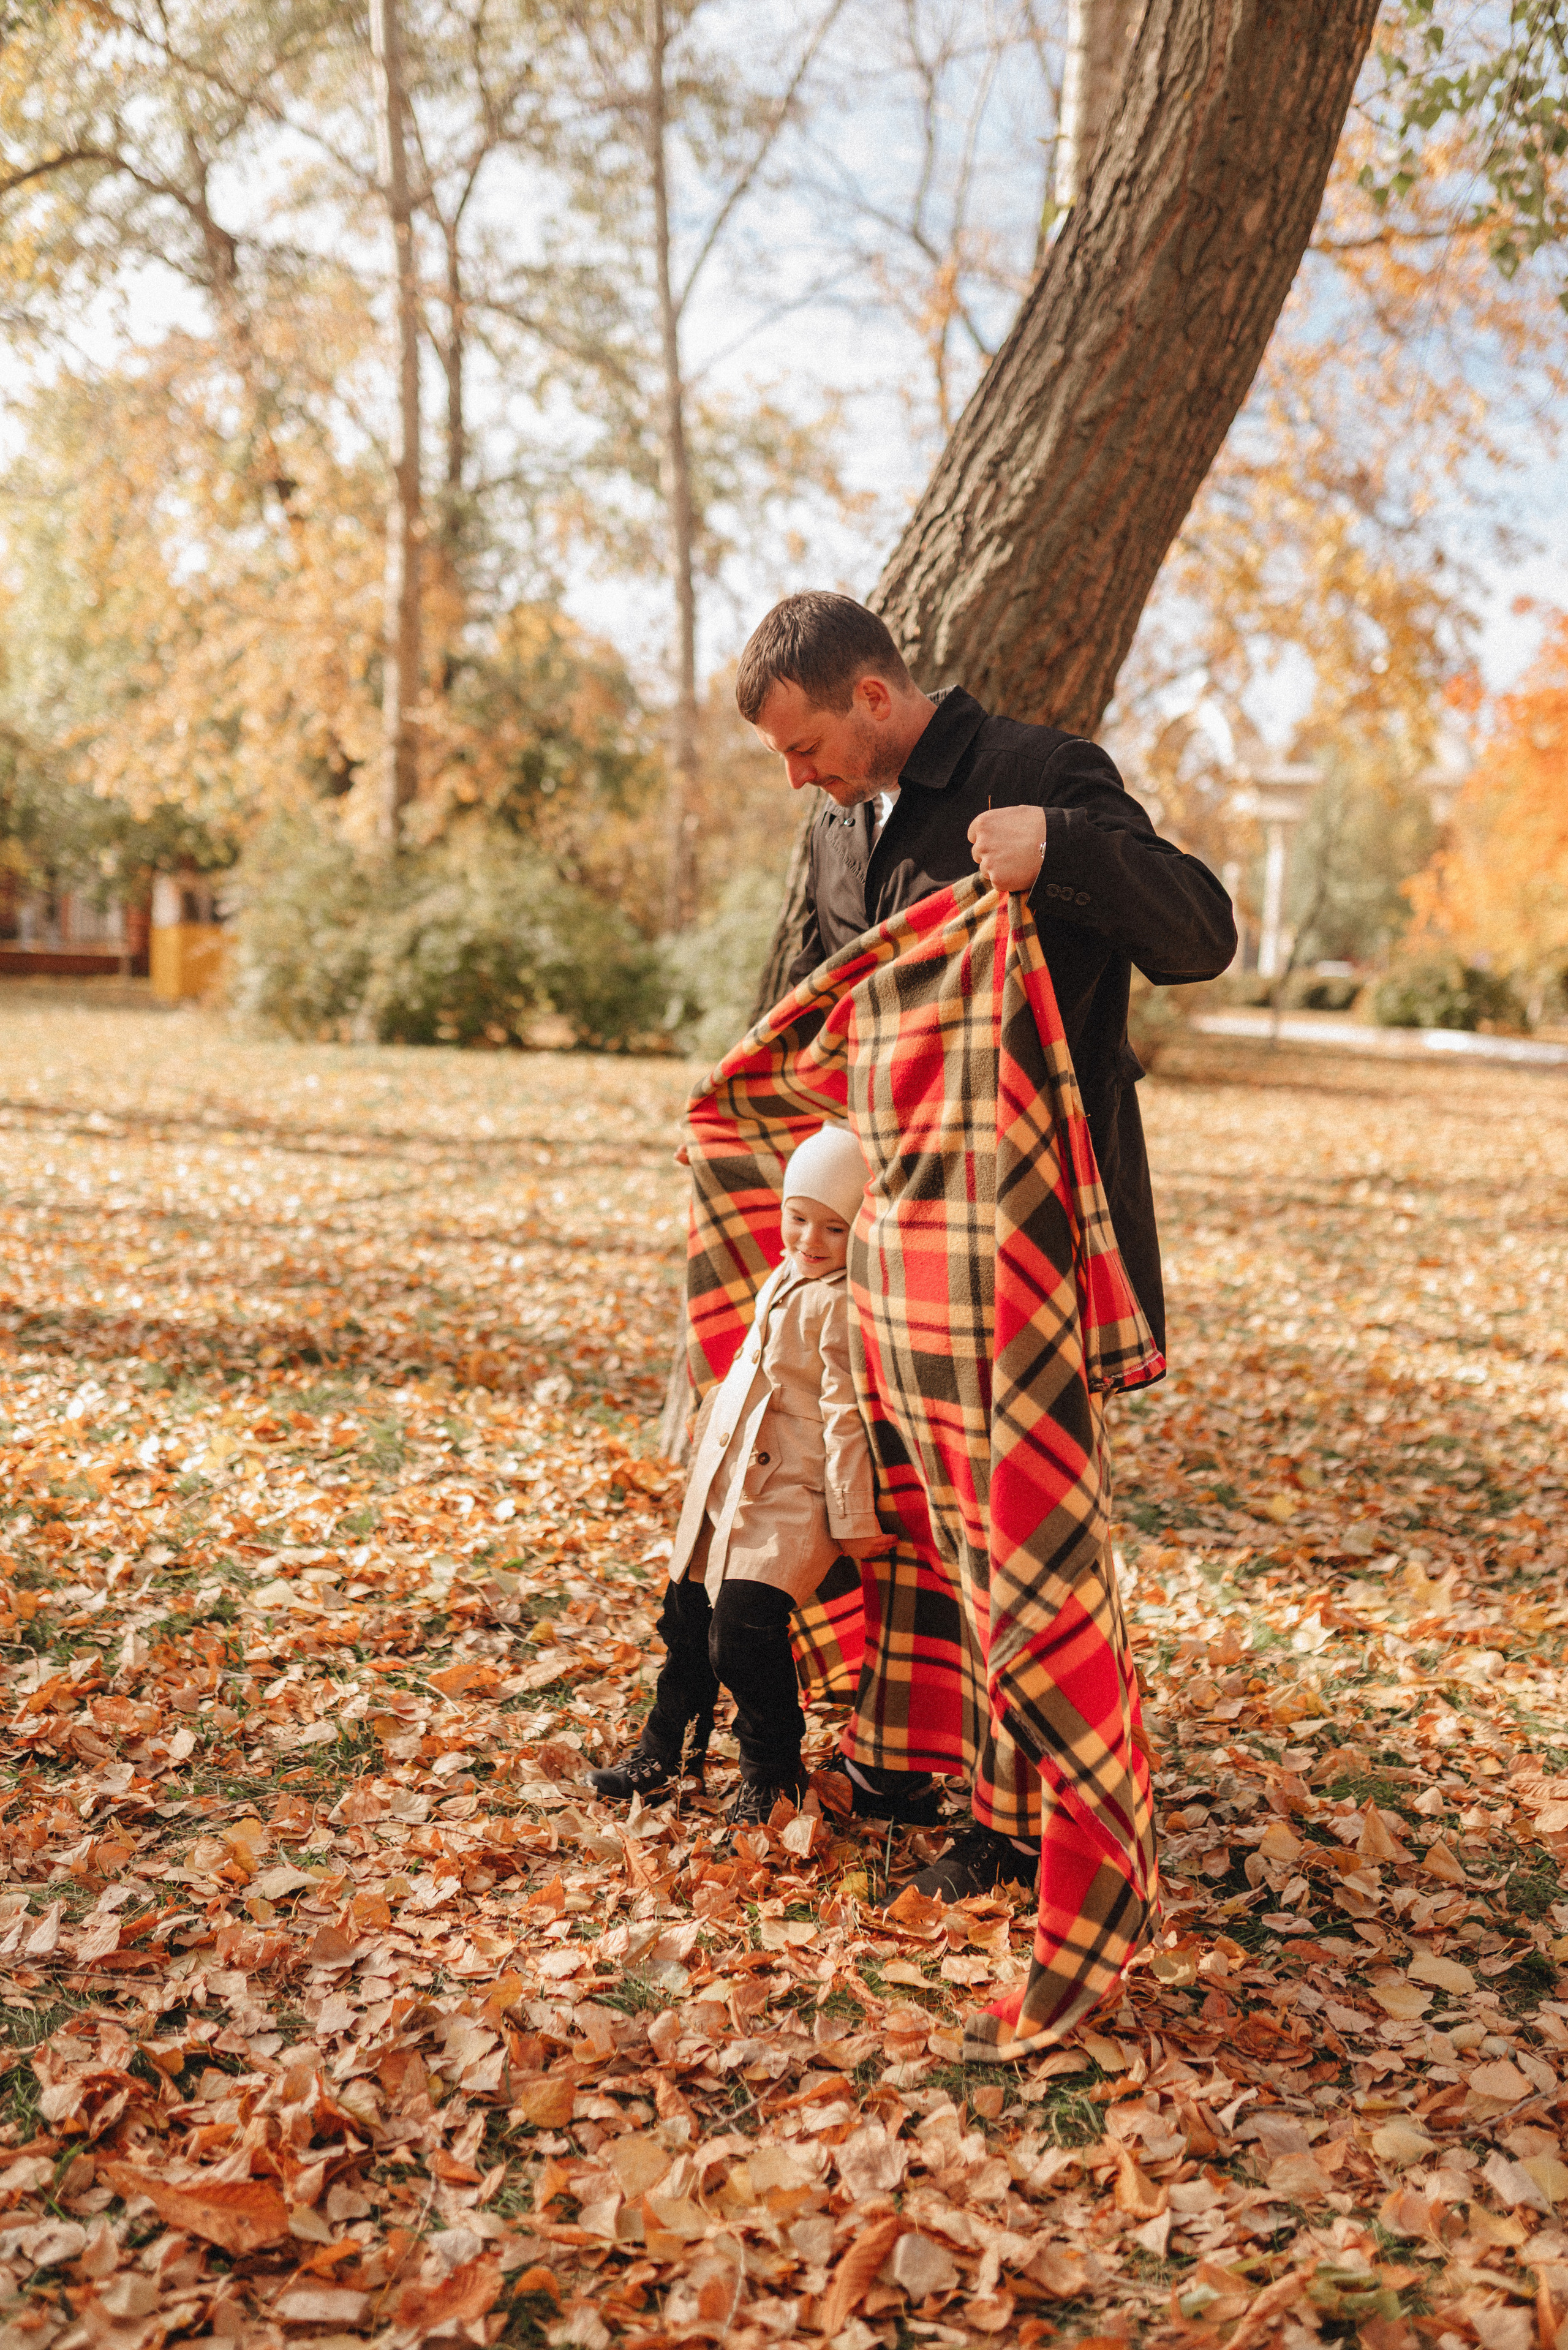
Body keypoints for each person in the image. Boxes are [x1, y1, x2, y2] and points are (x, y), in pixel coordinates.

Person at [733, 590, 1238, 1896]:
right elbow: (819, 1008)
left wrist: (1061, 850)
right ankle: (908, 1755)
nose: (798, 778)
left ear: (873, 697)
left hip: (1033, 1235)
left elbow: (1200, 931)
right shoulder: (838, 830)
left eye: (804, 747)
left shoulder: (1036, 773)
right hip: (899, 1233)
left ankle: (1025, 1820)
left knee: (1020, 1531)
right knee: (905, 1512)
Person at [591, 1124, 891, 1826]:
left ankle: (773, 1773)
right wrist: (708, 1421)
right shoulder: (785, 1275)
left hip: (792, 1493)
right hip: (728, 1483)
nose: (810, 1240)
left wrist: (850, 1517)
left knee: (744, 1629)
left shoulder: (840, 1301)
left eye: (833, 1228)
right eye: (797, 1218)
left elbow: (846, 1413)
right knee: (685, 1616)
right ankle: (664, 1750)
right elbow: (751, 1366)